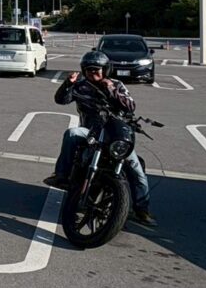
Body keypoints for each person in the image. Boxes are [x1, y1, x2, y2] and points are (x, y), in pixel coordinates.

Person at [44, 51, 156, 226]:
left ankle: (142, 209)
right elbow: (61, 100)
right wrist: (68, 84)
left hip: (114, 133)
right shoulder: (80, 86)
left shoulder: (117, 84)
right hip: (90, 132)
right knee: (72, 134)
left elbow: (130, 106)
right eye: (89, 70)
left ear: (105, 69)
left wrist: (111, 89)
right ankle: (61, 175)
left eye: (97, 70)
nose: (93, 73)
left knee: (136, 168)